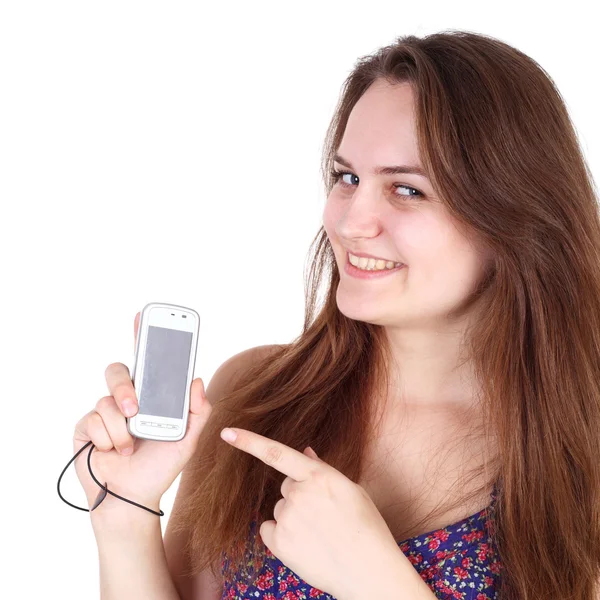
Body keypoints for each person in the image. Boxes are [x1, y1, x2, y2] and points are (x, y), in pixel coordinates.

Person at [74, 30, 600, 600]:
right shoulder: (256, 397)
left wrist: (377, 582)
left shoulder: (579, 448)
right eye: (347, 178)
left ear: (513, 214)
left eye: (407, 190)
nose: (351, 223)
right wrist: (123, 516)